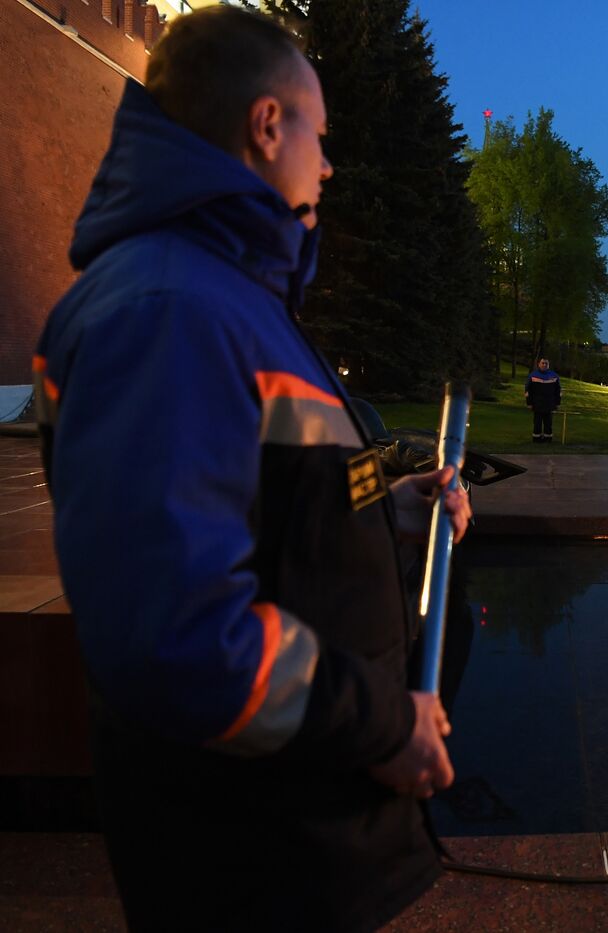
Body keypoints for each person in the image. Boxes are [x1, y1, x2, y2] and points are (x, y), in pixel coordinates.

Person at [29, 8, 470, 930]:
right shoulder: (168, 309)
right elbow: (181, 630)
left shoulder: (221, 295)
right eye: (319, 133)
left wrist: (392, 499)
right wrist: (388, 723)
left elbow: (279, 500)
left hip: (294, 844)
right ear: (268, 126)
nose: (330, 163)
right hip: (250, 863)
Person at [525, 355, 562, 443]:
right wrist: (529, 403)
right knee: (537, 423)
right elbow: (527, 391)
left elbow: (558, 391)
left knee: (548, 423)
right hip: (537, 404)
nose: (544, 365)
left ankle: (548, 439)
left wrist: (557, 403)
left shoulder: (554, 376)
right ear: (539, 364)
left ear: (548, 365)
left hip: (549, 404)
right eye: (543, 363)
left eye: (546, 363)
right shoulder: (533, 375)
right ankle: (536, 439)